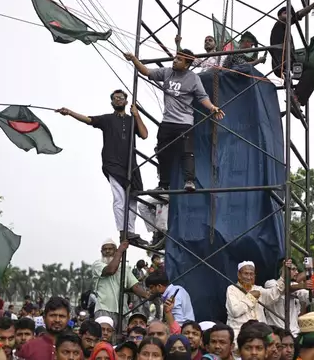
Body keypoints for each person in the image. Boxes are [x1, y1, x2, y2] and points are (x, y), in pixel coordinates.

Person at [123, 50, 225, 195]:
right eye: (175, 58)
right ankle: (164, 184)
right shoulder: (166, 72)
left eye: (179, 59)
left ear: (187, 64)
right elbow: (146, 72)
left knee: (187, 152)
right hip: (167, 121)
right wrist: (133, 59)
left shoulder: (193, 78)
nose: (175, 61)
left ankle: (189, 181)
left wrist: (212, 107)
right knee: (162, 152)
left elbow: (203, 97)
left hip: (184, 122)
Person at [56, 90, 149, 244]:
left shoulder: (132, 120)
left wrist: (137, 114)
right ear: (112, 102)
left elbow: (145, 135)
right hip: (112, 163)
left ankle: (131, 232)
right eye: (115, 98)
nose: (118, 100)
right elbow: (88, 119)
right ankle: (123, 231)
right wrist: (70, 112)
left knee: (133, 197)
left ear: (126, 101)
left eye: (121, 98)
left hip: (130, 164)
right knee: (119, 197)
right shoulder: (107, 119)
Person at [92, 239, 150, 330]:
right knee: (104, 338)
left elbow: (135, 287)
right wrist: (120, 251)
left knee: (121, 339)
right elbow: (111, 270)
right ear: (101, 251)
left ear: (114, 250)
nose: (107, 251)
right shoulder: (98, 264)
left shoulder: (124, 268)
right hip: (103, 309)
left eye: (110, 249)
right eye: (105, 249)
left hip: (122, 311)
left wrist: (148, 295)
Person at [225, 261, 284, 341]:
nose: (249, 277)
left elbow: (273, 295)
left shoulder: (258, 289)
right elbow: (235, 311)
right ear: (239, 275)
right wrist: (251, 297)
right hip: (240, 336)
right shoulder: (232, 289)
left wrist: (283, 276)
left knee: (275, 341)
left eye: (251, 274)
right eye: (246, 273)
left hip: (262, 335)